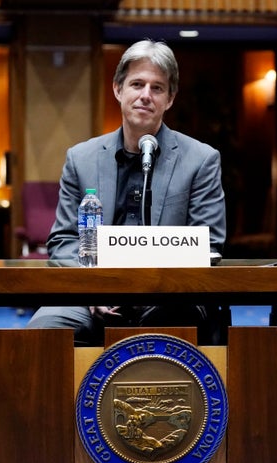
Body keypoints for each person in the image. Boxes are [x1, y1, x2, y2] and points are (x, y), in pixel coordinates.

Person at [26, 39, 227, 346]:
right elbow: (64, 241)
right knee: (43, 331)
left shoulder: (201, 159)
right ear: (118, 89)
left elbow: (209, 246)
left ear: (170, 98)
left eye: (157, 88)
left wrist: (153, 290)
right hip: (94, 293)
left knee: (173, 322)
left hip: (171, 296)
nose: (146, 95)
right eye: (137, 84)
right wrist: (97, 289)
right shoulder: (81, 159)